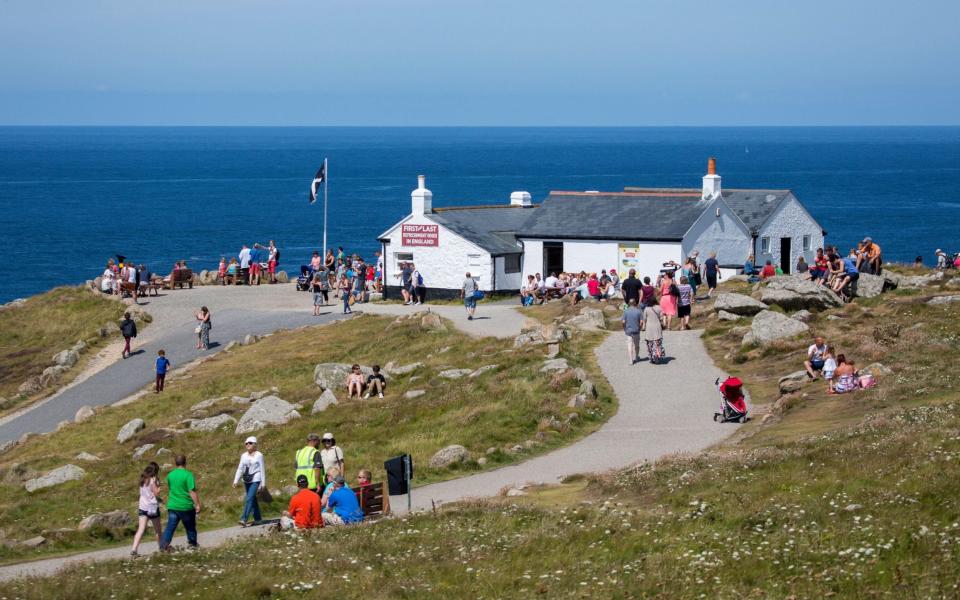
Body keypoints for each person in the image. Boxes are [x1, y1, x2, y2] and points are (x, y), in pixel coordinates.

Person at [160, 455, 200, 551]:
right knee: (190, 526)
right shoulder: (188, 474)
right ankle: (192, 544)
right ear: (185, 462)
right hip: (185, 506)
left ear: (176, 463)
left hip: (173, 505)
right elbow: (191, 491)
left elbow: (171, 489)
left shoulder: (170, 475)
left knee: (170, 527)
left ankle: (163, 545)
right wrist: (197, 504)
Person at [130, 462, 163, 557]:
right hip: (152, 507)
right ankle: (161, 548)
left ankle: (134, 549)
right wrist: (159, 487)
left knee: (141, 529)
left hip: (142, 507)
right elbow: (156, 493)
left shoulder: (142, 479)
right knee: (157, 530)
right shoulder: (153, 480)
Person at [232, 436, 266, 528]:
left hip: (256, 478)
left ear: (255, 444)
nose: (247, 445)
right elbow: (240, 468)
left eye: (250, 443)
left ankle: (244, 518)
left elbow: (262, 469)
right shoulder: (243, 455)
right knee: (253, 499)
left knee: (249, 498)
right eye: (246, 443)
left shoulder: (259, 455)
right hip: (246, 479)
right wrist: (236, 480)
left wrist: (263, 484)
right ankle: (258, 519)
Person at [621, 298, 643, 364]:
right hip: (636, 330)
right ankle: (636, 357)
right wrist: (640, 328)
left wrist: (624, 328)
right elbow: (641, 322)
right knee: (637, 345)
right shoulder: (639, 311)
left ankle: (631, 360)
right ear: (635, 303)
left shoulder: (626, 311)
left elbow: (623, 321)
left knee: (629, 345)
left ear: (629, 304)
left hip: (628, 331)